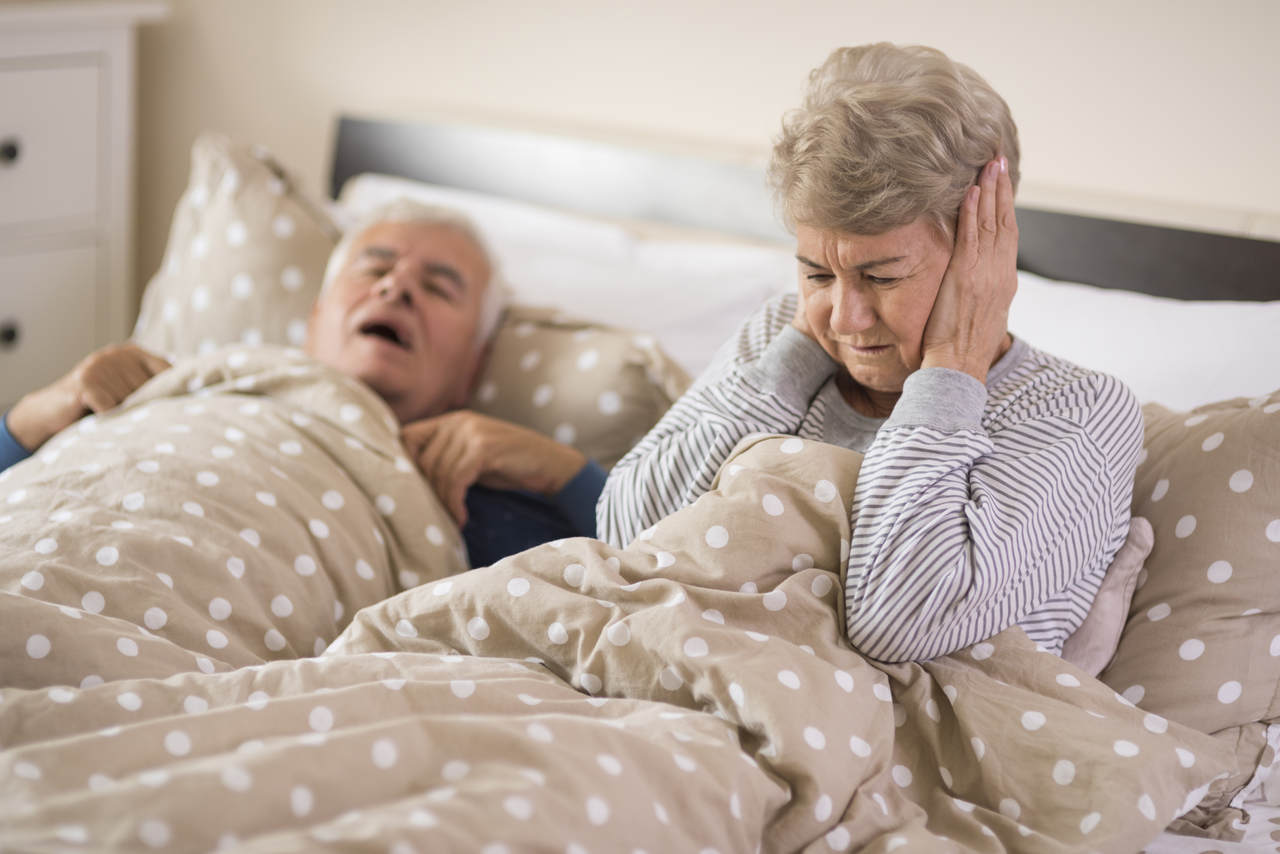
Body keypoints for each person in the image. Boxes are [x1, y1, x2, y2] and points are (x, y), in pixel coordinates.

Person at [596, 43, 1144, 664]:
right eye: (817, 274)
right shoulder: (789, 336)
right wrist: (797, 354)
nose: (845, 319)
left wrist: (952, 370)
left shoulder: (1079, 412)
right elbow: (624, 536)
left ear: (983, 253)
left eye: (881, 278)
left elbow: (900, 626)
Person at [0, 199, 605, 567]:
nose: (395, 288)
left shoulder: (476, 504)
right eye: (375, 266)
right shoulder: (180, 387)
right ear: (315, 319)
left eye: (440, 287)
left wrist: (567, 473)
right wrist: (41, 413)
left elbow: (652, 586)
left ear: (474, 365)